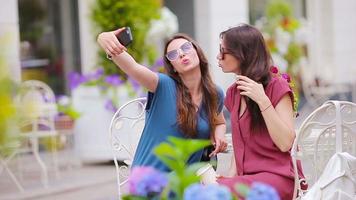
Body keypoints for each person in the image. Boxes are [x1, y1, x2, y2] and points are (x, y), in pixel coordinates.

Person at [97, 28, 227, 172]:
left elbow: (219, 121)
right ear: (173, 67)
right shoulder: (162, 85)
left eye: (186, 47)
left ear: (197, 52)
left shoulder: (215, 94)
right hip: (149, 181)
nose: (182, 53)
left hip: (186, 184)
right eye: (173, 54)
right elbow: (132, 67)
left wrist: (219, 134)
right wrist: (104, 38)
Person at [216, 24, 306, 200]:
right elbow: (239, 145)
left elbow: (286, 143)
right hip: (247, 181)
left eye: (223, 51)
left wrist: (263, 100)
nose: (218, 56)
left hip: (278, 179)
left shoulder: (276, 86)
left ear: (242, 53)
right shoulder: (233, 93)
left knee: (210, 191)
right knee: (205, 187)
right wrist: (229, 178)